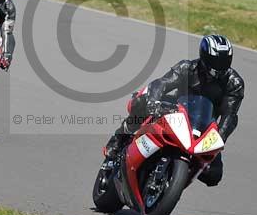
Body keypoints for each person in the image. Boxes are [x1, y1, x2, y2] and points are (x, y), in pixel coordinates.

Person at [104, 34, 244, 186]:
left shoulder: (234, 83)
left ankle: (175, 178)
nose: (219, 65)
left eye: (224, 61)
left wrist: (219, 138)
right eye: (216, 61)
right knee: (142, 101)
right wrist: (154, 102)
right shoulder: (188, 67)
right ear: (204, 56)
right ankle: (118, 140)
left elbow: (229, 116)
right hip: (175, 110)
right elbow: (162, 83)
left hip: (203, 125)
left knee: (214, 175)